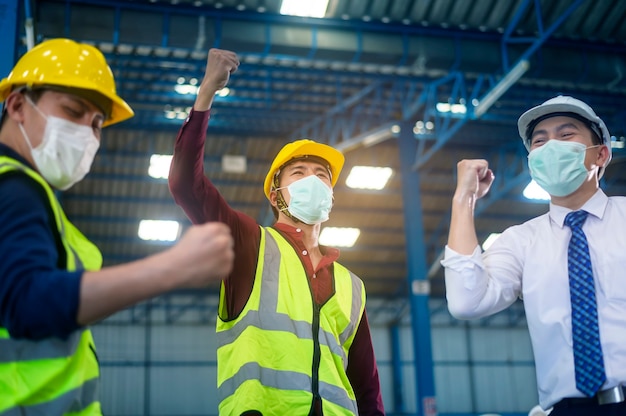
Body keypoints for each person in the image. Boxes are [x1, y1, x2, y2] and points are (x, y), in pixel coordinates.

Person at [0, 38, 235, 415]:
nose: (87, 134)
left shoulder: (35, 196)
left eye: (96, 124)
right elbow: (27, 303)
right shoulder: (13, 189)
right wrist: (171, 268)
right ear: (17, 105)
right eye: (74, 111)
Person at [168, 48, 385, 416]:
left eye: (322, 175)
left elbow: (367, 389)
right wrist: (206, 93)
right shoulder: (250, 243)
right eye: (298, 173)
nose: (313, 180)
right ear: (276, 194)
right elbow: (186, 184)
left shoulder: (352, 286)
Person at [442, 95, 626, 415]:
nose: (551, 146)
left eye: (566, 135)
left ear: (601, 155)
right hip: (568, 409)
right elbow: (465, 301)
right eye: (540, 141)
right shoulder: (521, 241)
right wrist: (463, 200)